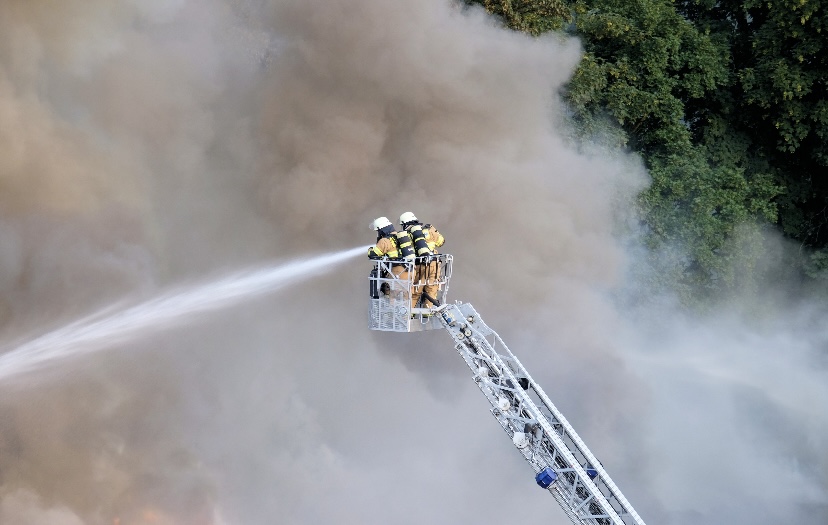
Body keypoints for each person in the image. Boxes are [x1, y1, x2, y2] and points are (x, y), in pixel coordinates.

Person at [399, 212, 445, 309]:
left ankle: (409, 314)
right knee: (432, 289)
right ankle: (427, 315)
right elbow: (441, 242)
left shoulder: (408, 235)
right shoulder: (430, 230)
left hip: (420, 265)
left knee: (416, 290)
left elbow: (406, 251)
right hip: (434, 264)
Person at [368, 216, 415, 299]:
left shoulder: (385, 241)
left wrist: (370, 249)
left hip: (397, 272)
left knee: (392, 298)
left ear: (381, 230)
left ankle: (391, 312)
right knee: (407, 298)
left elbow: (373, 254)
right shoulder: (401, 237)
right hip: (410, 271)